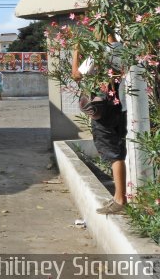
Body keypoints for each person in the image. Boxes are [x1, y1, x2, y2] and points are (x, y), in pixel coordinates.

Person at [72, 36, 127, 215]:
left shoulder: (99, 52)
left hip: (103, 110)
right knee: (118, 151)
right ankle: (119, 197)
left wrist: (76, 52)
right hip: (120, 108)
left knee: (113, 154)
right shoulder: (124, 50)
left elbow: (77, 75)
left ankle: (119, 199)